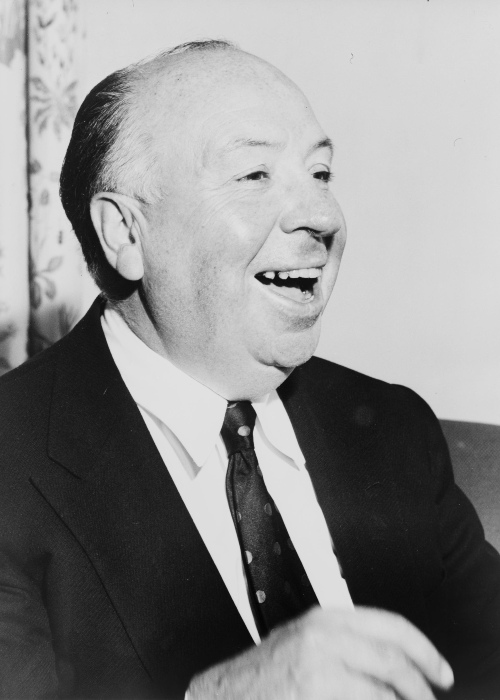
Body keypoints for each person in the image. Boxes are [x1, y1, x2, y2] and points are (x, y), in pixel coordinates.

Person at [0, 39, 499, 700]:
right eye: (255, 175)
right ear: (125, 232)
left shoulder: (394, 428)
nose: (323, 216)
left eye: (320, 173)